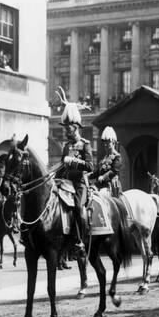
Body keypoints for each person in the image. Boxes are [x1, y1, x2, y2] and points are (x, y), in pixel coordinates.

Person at [56, 97, 93, 254]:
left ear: (76, 127)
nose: (66, 130)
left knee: (77, 207)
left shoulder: (85, 144)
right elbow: (62, 166)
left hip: (79, 184)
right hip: (66, 183)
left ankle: (80, 240)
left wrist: (74, 161)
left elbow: (90, 166)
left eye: (68, 127)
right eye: (65, 128)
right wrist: (55, 178)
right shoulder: (66, 146)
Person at [90, 126, 122, 197]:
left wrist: (103, 177)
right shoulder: (104, 159)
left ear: (113, 142)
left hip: (111, 186)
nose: (105, 144)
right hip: (100, 184)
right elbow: (97, 172)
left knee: (101, 195)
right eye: (104, 142)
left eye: (108, 142)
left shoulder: (117, 157)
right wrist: (88, 175)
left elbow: (113, 171)